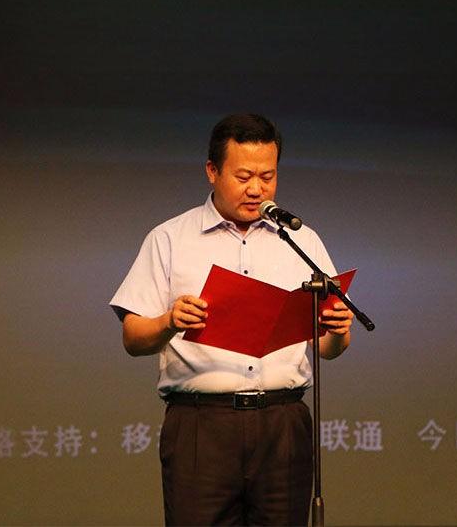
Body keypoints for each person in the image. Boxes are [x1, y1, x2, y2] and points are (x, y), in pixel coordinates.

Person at [109, 113, 353, 526]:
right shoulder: (169, 239)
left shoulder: (301, 240)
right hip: (202, 425)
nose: (257, 189)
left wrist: (337, 331)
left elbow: (328, 349)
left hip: (282, 422)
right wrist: (170, 321)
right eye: (243, 176)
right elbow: (133, 338)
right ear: (212, 171)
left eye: (268, 176)